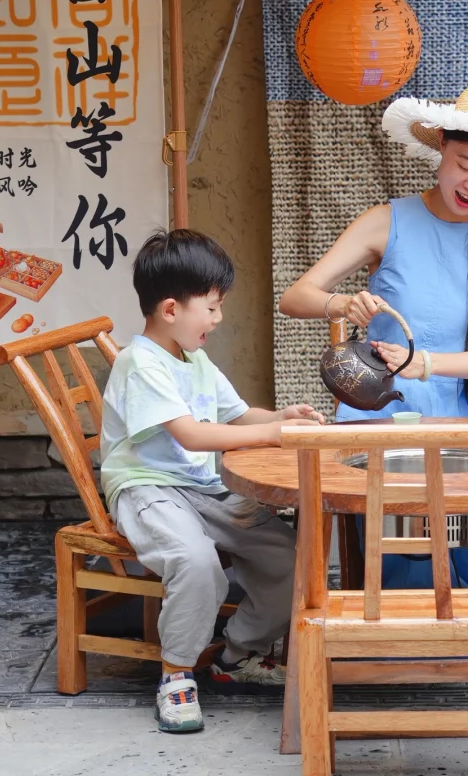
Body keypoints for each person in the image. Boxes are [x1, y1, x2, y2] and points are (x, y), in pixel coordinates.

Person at [279, 81, 468, 653]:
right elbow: (295, 296)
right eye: (465, 164)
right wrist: (342, 304)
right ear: (441, 145)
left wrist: (423, 364)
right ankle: (408, 641)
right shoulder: (386, 221)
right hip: (386, 418)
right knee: (406, 546)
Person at [101, 227, 323, 735]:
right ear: (172, 309)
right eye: (213, 306)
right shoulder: (139, 363)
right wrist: (274, 433)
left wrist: (282, 414)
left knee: (290, 556)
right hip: (147, 488)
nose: (219, 319)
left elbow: (237, 415)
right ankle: (176, 674)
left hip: (200, 488)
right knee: (196, 562)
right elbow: (193, 435)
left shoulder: (192, 357)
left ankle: (233, 655)